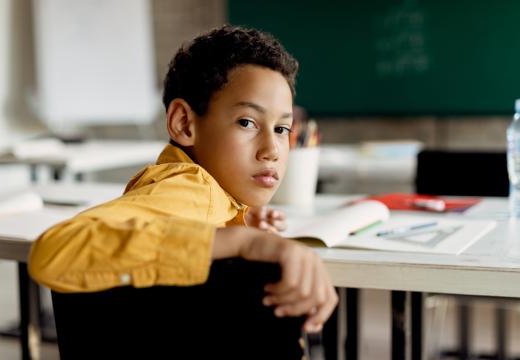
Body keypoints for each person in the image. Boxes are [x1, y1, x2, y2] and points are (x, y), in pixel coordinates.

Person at [28, 25, 337, 335]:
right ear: (184, 123)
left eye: (282, 129)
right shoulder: (189, 187)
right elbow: (56, 249)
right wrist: (246, 242)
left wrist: (236, 225)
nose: (272, 150)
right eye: (247, 122)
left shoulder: (210, 195)